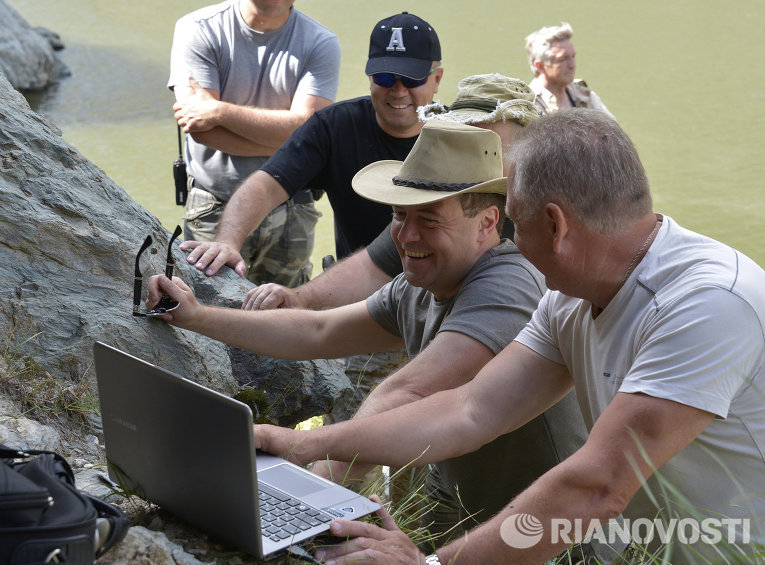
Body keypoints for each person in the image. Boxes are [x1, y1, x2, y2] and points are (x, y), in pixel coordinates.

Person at [248, 110, 765, 564]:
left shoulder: (708, 305)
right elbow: (470, 410)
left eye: (514, 222)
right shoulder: (572, 296)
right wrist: (303, 444)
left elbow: (595, 487)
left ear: (555, 225)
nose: (508, 242)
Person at [147, 121, 588, 544]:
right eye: (399, 214)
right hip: (465, 505)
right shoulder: (418, 284)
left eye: (429, 220)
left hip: (553, 532)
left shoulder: (507, 283)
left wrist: (306, 492)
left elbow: (407, 392)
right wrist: (196, 316)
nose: (407, 235)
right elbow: (318, 331)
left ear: (488, 223)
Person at [243, 73, 541, 312]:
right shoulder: (442, 201)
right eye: (462, 137)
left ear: (527, 148)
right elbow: (372, 267)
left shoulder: (549, 216)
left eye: (486, 143)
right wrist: (299, 298)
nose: (471, 154)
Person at [179, 11, 443, 280]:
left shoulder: (460, 136)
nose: (398, 91)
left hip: (438, 289)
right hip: (358, 290)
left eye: (412, 80)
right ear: (370, 78)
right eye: (385, 78)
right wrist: (227, 241)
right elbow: (265, 185)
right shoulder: (335, 126)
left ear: (437, 78)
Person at [168, 0, 341, 287]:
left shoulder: (320, 41)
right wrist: (291, 142)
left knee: (283, 316)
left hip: (292, 204)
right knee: (209, 311)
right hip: (215, 203)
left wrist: (219, 111)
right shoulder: (198, 29)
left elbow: (308, 130)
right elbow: (200, 130)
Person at [525, 22, 614, 119]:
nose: (573, 65)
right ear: (540, 66)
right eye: (563, 59)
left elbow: (613, 131)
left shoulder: (584, 94)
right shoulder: (527, 106)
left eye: (573, 56)